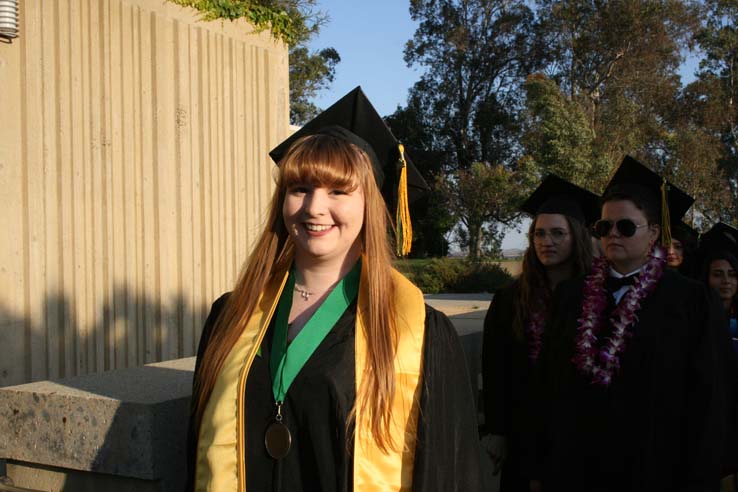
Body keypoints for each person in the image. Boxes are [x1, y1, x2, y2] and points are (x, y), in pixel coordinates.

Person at [184, 87, 483, 492]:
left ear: (371, 204)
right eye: (300, 188)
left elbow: (448, 475)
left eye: (338, 191)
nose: (314, 208)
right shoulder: (232, 316)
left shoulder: (419, 333)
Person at [533, 156, 726, 492]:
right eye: (604, 227)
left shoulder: (691, 300)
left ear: (653, 233)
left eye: (625, 226)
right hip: (581, 465)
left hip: (659, 465)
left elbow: (709, 393)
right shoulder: (571, 296)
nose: (612, 235)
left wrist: (703, 469)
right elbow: (549, 384)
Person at [481, 174, 598, 492]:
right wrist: (496, 430)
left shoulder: (596, 296)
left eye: (558, 233)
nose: (548, 242)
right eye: (540, 233)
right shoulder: (510, 298)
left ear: (577, 237)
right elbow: (495, 369)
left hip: (581, 433)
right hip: (524, 430)